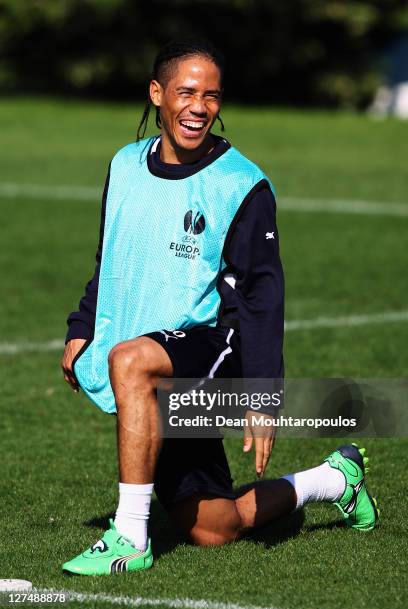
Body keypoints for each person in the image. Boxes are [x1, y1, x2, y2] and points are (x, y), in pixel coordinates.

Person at [61, 39, 378, 576]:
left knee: (131, 360)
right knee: (214, 527)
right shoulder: (123, 165)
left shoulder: (242, 185)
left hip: (214, 350)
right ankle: (333, 479)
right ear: (157, 94)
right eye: (186, 92)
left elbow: (261, 297)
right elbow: (110, 255)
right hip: (156, 355)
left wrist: (260, 393)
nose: (199, 107)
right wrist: (82, 325)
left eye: (211, 95)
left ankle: (129, 536)